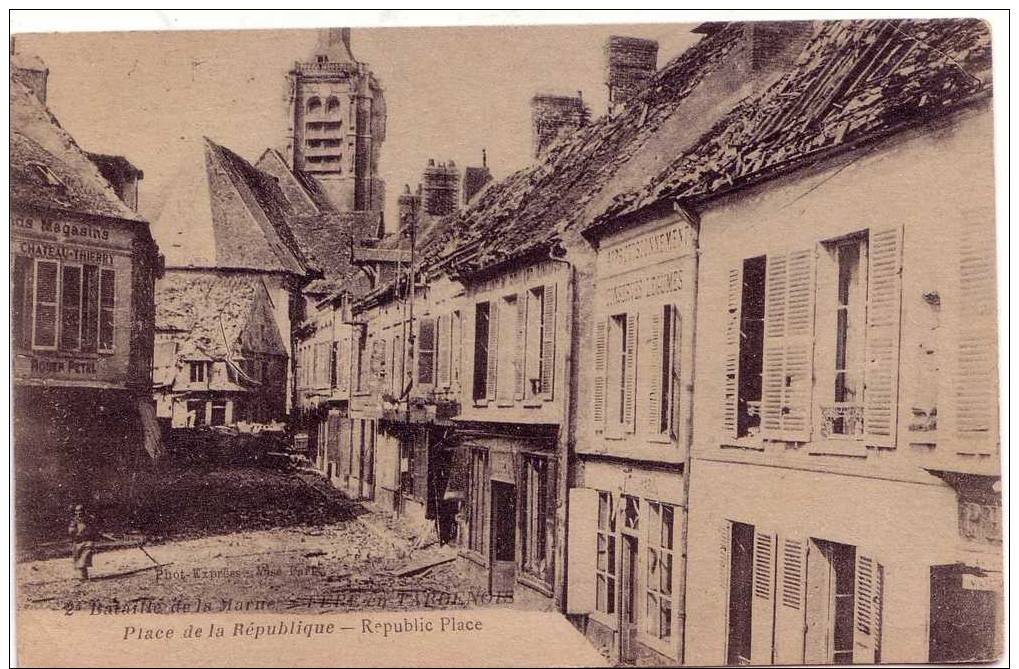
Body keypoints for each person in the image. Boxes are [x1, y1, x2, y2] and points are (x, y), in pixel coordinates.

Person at [68, 504, 97, 580]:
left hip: (88, 540)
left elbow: (94, 528)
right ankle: (83, 576)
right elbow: (71, 530)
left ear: (84, 511)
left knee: (86, 555)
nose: (79, 513)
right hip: (78, 541)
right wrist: (72, 530)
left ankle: (83, 576)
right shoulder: (74, 520)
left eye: (81, 510)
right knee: (79, 558)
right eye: (77, 511)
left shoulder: (90, 519)